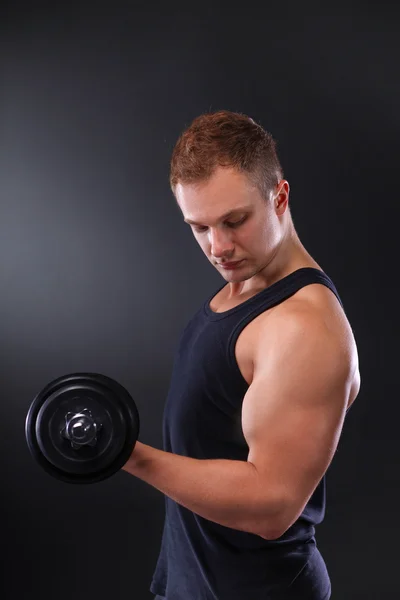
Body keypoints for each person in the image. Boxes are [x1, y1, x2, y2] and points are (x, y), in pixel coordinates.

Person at [122, 110, 361, 599]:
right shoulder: (244, 286)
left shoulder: (303, 326)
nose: (219, 247)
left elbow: (271, 506)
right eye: (200, 227)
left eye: (235, 221)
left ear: (279, 197)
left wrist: (130, 456)